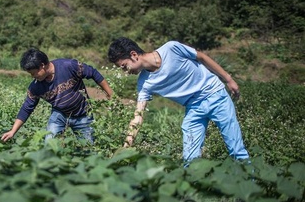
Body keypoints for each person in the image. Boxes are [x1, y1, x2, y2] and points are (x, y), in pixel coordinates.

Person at [107, 37, 249, 163]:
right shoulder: (144, 83)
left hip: (215, 96)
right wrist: (126, 146)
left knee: (236, 150)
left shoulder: (171, 48)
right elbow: (138, 116)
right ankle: (193, 192)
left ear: (133, 55)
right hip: (194, 108)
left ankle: (251, 188)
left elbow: (201, 57)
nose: (125, 71)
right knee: (189, 159)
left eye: (124, 66)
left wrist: (228, 79)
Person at [1, 48, 113, 144]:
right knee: (50, 145)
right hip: (59, 115)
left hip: (83, 115)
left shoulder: (68, 66)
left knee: (88, 149)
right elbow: (27, 107)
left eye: (34, 73)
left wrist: (111, 95)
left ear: (42, 65)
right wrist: (13, 131)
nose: (32, 76)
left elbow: (93, 73)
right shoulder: (35, 87)